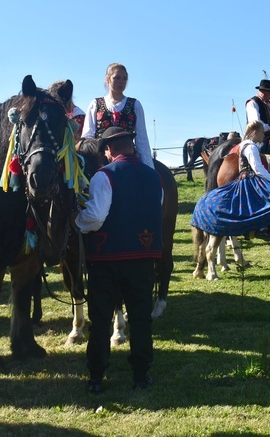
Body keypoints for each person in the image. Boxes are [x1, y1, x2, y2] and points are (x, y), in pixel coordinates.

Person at [73, 126, 163, 394]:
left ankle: (97, 376)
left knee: (100, 319)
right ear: (131, 146)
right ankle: (140, 375)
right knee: (140, 318)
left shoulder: (104, 176)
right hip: (145, 257)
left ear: (109, 150)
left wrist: (75, 219)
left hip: (107, 258)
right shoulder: (154, 176)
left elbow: (96, 217)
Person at [191, 120, 270, 240]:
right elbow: (258, 169)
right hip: (250, 180)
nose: (263, 136)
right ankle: (262, 228)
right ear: (255, 132)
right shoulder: (251, 147)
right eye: (262, 133)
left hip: (245, 178)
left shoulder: (244, 144)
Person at [81, 63, 154, 168]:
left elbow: (142, 140)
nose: (121, 82)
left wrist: (149, 168)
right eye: (117, 78)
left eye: (124, 79)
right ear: (108, 79)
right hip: (101, 160)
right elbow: (88, 137)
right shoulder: (95, 104)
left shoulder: (135, 105)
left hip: (128, 160)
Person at [245, 79, 270, 154]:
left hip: (269, 138)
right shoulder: (252, 103)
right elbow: (256, 123)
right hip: (257, 140)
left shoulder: (269, 104)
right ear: (263, 91)